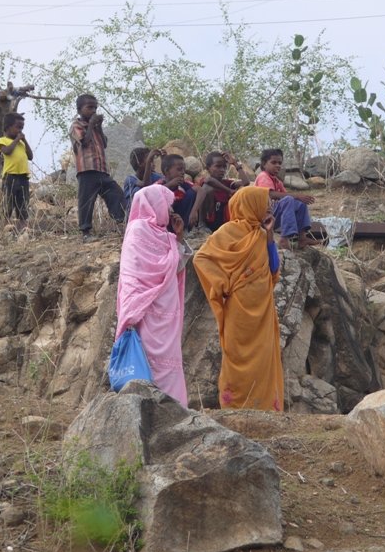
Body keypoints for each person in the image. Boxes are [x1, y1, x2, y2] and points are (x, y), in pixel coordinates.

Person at [193, 185, 284, 412]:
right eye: (264, 203)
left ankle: (264, 408)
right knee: (237, 357)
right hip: (239, 308)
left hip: (263, 307)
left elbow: (273, 270)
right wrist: (225, 284)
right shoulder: (227, 232)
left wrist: (270, 235)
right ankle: (235, 407)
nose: (268, 207)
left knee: (263, 359)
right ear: (250, 205)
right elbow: (201, 258)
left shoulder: (262, 234)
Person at [115, 184, 192, 407]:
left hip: (166, 313)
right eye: (167, 205)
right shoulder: (137, 229)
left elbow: (175, 267)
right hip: (145, 312)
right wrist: (131, 312)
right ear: (154, 204)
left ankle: (175, 411)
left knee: (169, 365)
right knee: (145, 362)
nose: (169, 211)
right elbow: (134, 274)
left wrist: (178, 237)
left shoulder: (165, 235)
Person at [69, 93, 126, 243]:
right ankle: (86, 231)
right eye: (89, 108)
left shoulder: (95, 127)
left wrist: (98, 127)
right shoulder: (77, 126)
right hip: (87, 170)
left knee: (116, 193)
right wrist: (92, 125)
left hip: (101, 170)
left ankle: (121, 222)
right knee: (87, 200)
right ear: (79, 109)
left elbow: (104, 144)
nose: (93, 111)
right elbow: (85, 142)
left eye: (95, 108)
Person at [254, 148, 320, 249]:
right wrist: (297, 196)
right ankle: (284, 238)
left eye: (279, 163)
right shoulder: (263, 176)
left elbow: (287, 197)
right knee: (289, 199)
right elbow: (270, 194)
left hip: (272, 214)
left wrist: (299, 199)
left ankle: (302, 238)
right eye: (274, 162)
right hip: (262, 216)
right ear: (264, 164)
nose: (277, 165)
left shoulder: (277, 181)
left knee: (300, 203)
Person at [189, 151, 250, 232]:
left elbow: (246, 182)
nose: (222, 170)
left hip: (223, 220)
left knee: (246, 192)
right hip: (210, 220)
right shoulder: (205, 181)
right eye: (218, 166)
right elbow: (210, 180)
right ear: (208, 168)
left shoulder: (227, 183)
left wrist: (235, 163)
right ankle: (201, 224)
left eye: (224, 167)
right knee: (206, 189)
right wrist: (229, 191)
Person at [0, 112, 33, 231]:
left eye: (22, 128)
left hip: (23, 176)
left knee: (23, 202)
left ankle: (23, 226)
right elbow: (7, 151)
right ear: (8, 127)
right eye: (18, 127)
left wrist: (24, 141)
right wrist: (17, 139)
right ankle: (6, 226)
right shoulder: (3, 140)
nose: (20, 130)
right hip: (10, 177)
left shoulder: (21, 143)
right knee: (8, 201)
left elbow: (30, 156)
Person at [157, 154, 197, 231]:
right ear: (167, 171)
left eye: (183, 170)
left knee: (191, 193)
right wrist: (169, 185)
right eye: (179, 169)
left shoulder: (182, 183)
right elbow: (151, 194)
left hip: (180, 219)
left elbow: (201, 190)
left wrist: (194, 211)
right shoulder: (159, 185)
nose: (183, 172)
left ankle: (184, 229)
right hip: (165, 222)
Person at [123, 147, 164, 213]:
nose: (153, 163)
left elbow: (167, 180)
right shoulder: (130, 179)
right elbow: (145, 184)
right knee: (138, 190)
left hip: (151, 212)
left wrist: (164, 159)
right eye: (150, 161)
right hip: (135, 216)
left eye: (152, 161)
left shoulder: (153, 175)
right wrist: (148, 162)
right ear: (140, 163)